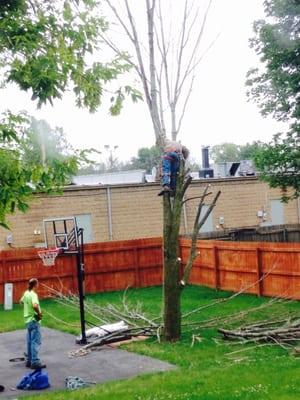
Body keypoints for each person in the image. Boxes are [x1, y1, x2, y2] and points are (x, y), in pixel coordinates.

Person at [20, 278, 46, 369]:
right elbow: (35, 305)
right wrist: (39, 314)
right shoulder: (33, 295)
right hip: (34, 320)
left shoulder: (26, 293)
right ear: (35, 285)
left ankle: (29, 361)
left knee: (30, 341)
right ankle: (35, 362)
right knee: (35, 342)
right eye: (37, 284)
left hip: (27, 320)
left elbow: (21, 302)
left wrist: (28, 309)